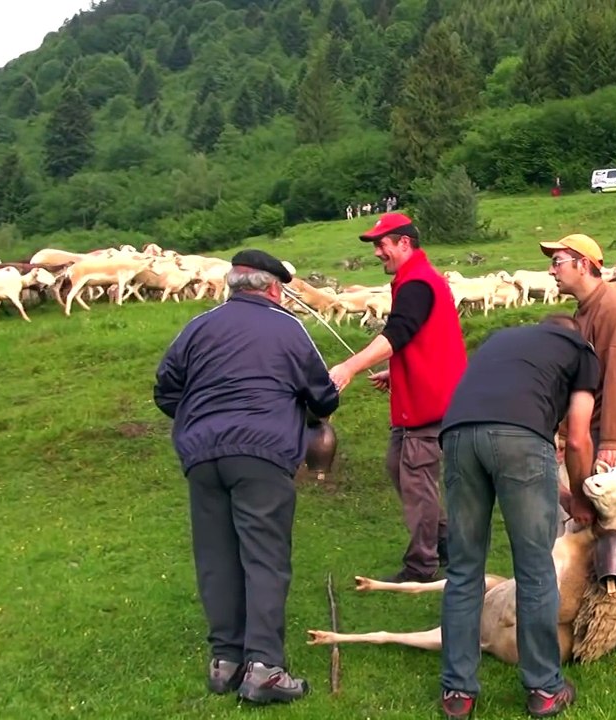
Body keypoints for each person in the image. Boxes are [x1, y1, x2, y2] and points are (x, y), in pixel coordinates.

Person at [153, 249, 340, 705]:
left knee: (216, 555)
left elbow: (165, 388)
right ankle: (264, 667)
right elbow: (322, 395)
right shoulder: (288, 327)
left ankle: (225, 662)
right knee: (264, 556)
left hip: (201, 453)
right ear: (275, 289)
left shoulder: (197, 326)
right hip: (261, 452)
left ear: (232, 285)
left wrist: (201, 419)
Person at [436, 314, 599, 719]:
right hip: (522, 440)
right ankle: (544, 689)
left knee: (464, 568)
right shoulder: (580, 349)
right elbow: (577, 436)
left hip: (457, 435)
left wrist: (557, 491)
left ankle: (457, 693)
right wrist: (580, 496)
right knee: (535, 569)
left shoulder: (501, 340)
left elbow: (494, 424)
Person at [328, 212, 467, 583]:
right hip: (424, 393)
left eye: (382, 244)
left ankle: (421, 566)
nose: (378, 252)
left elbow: (399, 332)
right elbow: (429, 337)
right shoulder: (416, 279)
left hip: (429, 402)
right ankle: (446, 542)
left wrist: (349, 367)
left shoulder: (418, 283)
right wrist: (400, 370)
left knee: (415, 480)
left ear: (404, 242)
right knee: (399, 468)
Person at [539, 233, 616, 649]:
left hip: (613, 430)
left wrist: (613, 443)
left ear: (584, 264)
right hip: (592, 429)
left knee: (611, 525)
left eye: (559, 262)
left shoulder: (615, 309)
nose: (552, 270)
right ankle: (586, 610)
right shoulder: (585, 310)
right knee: (582, 522)